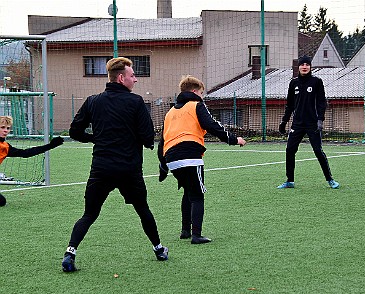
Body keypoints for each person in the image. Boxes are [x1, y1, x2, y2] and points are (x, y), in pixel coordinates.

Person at [61, 57, 168, 273]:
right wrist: (139, 139)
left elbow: (74, 131)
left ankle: (70, 253)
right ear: (121, 78)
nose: (135, 80)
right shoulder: (136, 102)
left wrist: (94, 138)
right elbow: (148, 138)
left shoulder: (93, 101)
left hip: (101, 168)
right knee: (143, 209)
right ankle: (158, 249)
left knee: (89, 214)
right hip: (129, 170)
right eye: (132, 76)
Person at [157, 75, 246, 244]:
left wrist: (163, 165)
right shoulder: (196, 105)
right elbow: (212, 125)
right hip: (190, 155)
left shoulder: (170, 112)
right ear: (194, 91)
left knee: (187, 191)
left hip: (172, 158)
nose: (202, 96)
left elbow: (162, 140)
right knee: (197, 195)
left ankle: (185, 231)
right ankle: (196, 235)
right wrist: (234, 139)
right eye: (201, 93)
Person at [277, 55, 339, 189]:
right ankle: (290, 181)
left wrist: (320, 120)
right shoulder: (293, 83)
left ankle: (330, 180)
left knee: (317, 150)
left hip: (312, 124)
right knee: (290, 150)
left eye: (307, 64)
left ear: (310, 67)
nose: (304, 66)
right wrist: (284, 121)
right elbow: (290, 105)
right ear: (298, 67)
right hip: (297, 124)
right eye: (302, 64)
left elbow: (322, 102)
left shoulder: (317, 82)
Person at [0, 115, 63, 206]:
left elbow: (26, 153)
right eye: (2, 127)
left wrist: (50, 146)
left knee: (2, 202)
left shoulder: (5, 147)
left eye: (8, 128)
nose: (6, 130)